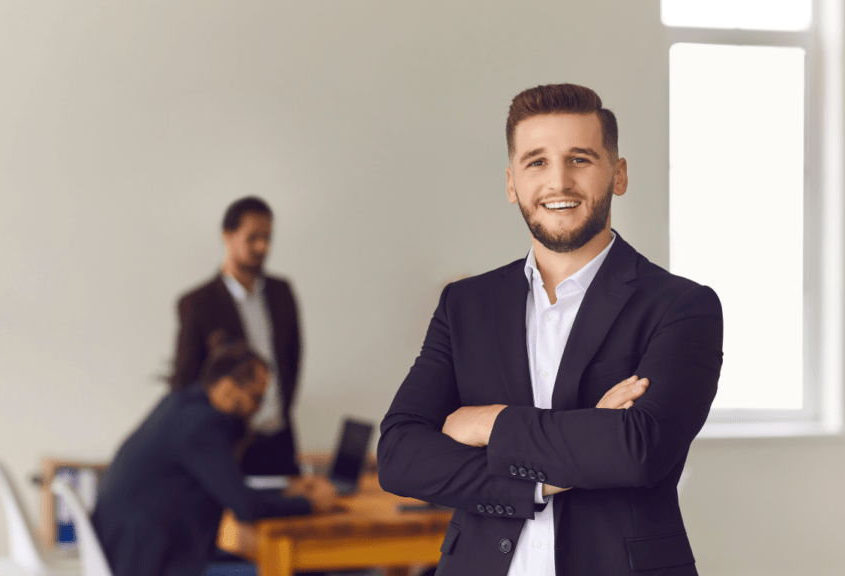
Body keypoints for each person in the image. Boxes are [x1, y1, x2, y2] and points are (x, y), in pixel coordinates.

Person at [377, 83, 723, 576]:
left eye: (580, 159)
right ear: (512, 183)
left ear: (618, 174)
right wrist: (571, 454)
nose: (558, 182)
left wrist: (486, 423)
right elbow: (399, 455)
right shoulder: (466, 305)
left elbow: (637, 450)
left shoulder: (682, 307)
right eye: (536, 162)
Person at [93, 338, 336, 576]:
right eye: (257, 398)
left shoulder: (178, 405)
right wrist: (311, 504)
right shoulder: (202, 426)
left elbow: (230, 488)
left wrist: (286, 492)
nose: (258, 409)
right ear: (227, 388)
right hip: (157, 562)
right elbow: (246, 508)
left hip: (130, 551)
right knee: (299, 569)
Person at [172, 196, 302, 476]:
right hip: (230, 445)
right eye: (253, 237)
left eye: (268, 238)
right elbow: (185, 380)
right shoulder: (197, 304)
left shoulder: (282, 293)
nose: (262, 247)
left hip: (280, 438)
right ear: (227, 236)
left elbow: (292, 359)